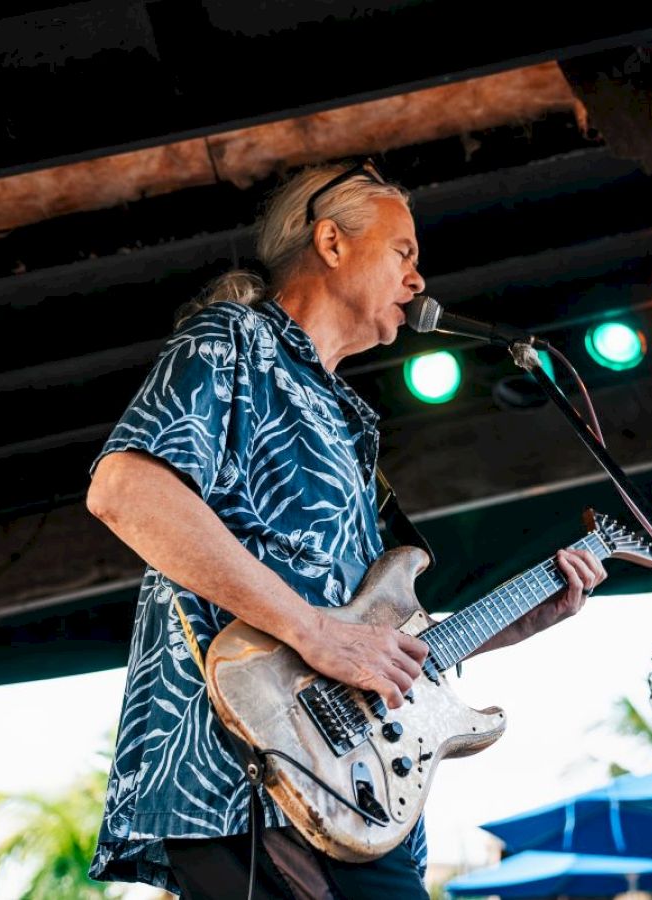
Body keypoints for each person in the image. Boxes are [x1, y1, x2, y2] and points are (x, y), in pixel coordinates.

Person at [85, 159, 607, 899]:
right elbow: (125, 491)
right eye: (404, 252)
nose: (419, 280)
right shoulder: (233, 340)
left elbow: (371, 633)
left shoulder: (349, 420)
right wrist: (318, 635)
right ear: (331, 244)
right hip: (240, 764)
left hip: (357, 788)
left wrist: (517, 622)